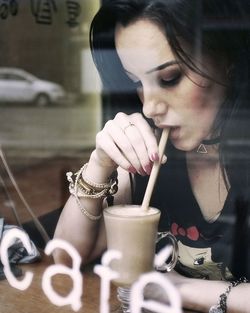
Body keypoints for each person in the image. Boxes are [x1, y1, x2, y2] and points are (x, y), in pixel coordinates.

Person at [53, 0, 250, 311]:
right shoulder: (151, 156)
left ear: (227, 59)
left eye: (169, 78)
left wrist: (178, 290)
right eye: (136, 83)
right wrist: (100, 163)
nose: (149, 107)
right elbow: (66, 255)